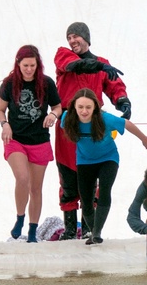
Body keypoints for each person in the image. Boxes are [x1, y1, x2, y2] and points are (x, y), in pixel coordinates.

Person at [54, 22, 132, 239]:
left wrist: (123, 101)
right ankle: (70, 230)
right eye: (69, 37)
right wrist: (98, 66)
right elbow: (73, 66)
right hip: (68, 124)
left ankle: (90, 228)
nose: (72, 41)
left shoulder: (102, 65)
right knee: (68, 178)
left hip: (94, 124)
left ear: (86, 38)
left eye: (76, 36)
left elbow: (115, 85)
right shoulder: (63, 56)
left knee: (91, 178)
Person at [61, 88, 147, 245]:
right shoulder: (67, 118)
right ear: (74, 107)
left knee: (104, 190)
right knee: (86, 200)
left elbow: (127, 124)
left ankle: (96, 233)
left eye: (88, 107)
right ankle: (95, 232)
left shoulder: (105, 119)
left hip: (108, 159)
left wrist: (144, 139)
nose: (84, 111)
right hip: (84, 161)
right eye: (80, 107)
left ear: (95, 108)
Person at [0, 45, 62, 242]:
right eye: (25, 65)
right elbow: (0, 110)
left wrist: (52, 114)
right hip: (15, 139)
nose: (29, 69)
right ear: (18, 64)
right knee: (22, 178)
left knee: (36, 188)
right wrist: (4, 124)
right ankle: (20, 218)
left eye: (32, 65)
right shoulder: (9, 84)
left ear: (38, 65)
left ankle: (33, 230)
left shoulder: (46, 83)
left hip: (39, 140)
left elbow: (58, 107)